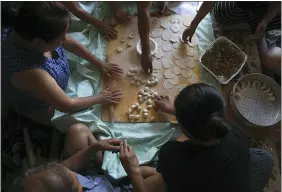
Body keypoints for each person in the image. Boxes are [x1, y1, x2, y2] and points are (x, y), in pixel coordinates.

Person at [2, 2, 123, 125]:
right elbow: (68, 105)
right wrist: (101, 98)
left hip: (52, 79)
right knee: (89, 118)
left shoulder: (31, 32)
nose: (65, 39)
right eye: (61, 38)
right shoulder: (33, 74)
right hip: (48, 107)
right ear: (39, 42)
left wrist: (100, 63)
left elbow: (71, 44)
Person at [152, 83, 274, 192]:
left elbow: (163, 172)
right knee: (265, 157)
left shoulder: (172, 155)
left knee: (159, 181)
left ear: (183, 129)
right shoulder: (236, 133)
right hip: (224, 179)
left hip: (196, 181)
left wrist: (134, 169)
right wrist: (179, 113)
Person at [13, 123, 163, 192]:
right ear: (79, 189)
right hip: (114, 188)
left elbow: (67, 165)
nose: (68, 169)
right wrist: (134, 171)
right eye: (72, 177)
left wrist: (95, 147)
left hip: (97, 179)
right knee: (159, 180)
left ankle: (99, 163)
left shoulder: (64, 180)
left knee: (77, 131)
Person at [182, 2, 281, 75]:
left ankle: (254, 24)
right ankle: (251, 23)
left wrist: (266, 21)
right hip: (248, 7)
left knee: (271, 55)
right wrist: (193, 25)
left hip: (267, 9)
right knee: (221, 13)